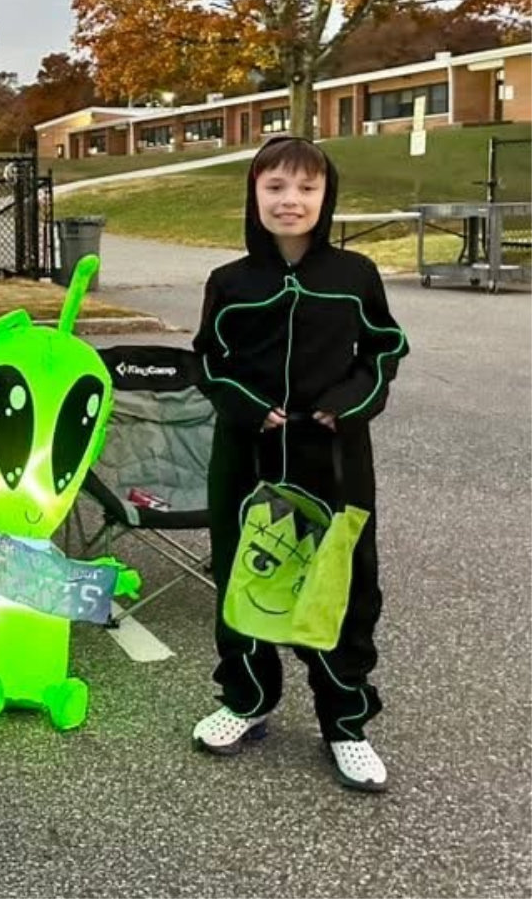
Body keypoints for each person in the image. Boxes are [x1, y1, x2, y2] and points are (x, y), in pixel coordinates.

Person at [191, 136, 407, 792]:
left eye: (306, 189)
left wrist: (349, 404)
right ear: (254, 196)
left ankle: (346, 723)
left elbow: (384, 349)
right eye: (275, 188)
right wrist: (249, 407)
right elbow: (207, 361)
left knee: (340, 587)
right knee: (244, 576)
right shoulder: (230, 282)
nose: (290, 201)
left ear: (326, 196)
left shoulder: (354, 275)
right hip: (248, 457)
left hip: (332, 459)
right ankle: (247, 700)